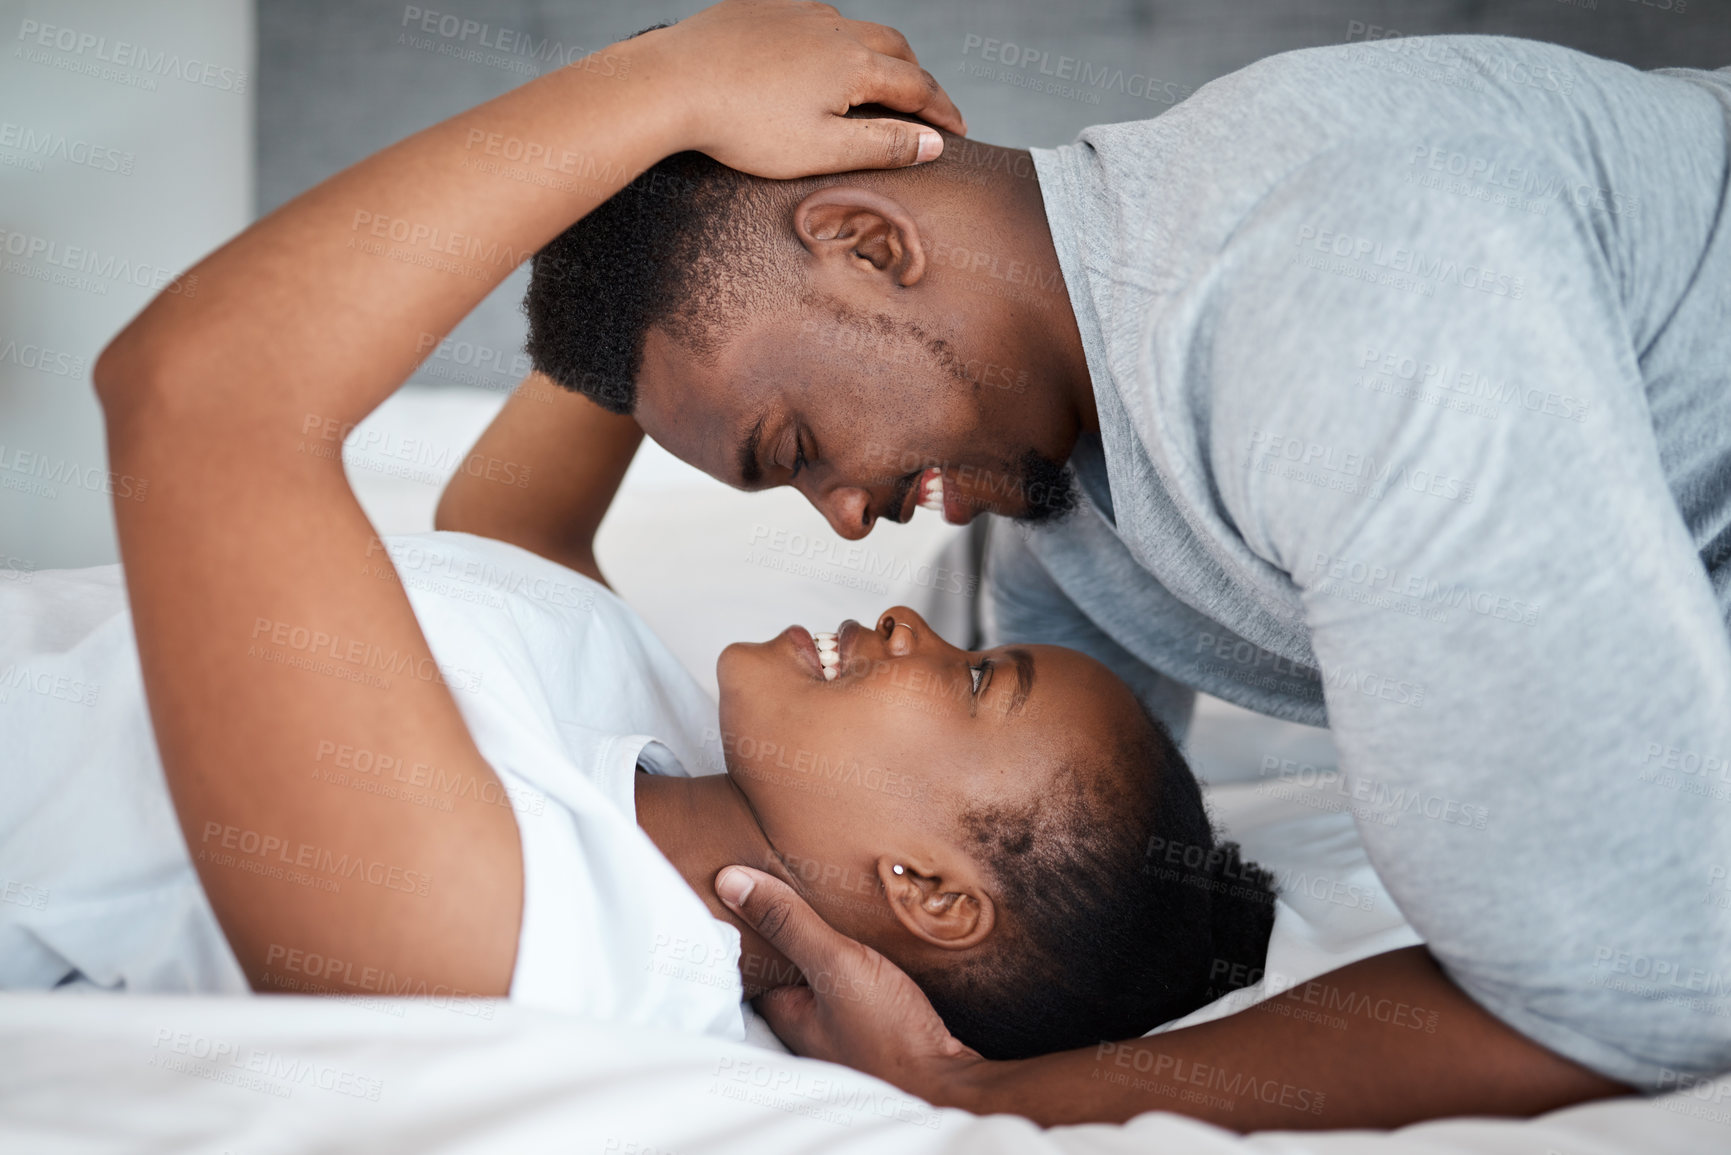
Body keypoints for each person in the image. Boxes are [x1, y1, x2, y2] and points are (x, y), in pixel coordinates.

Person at [20, 0, 1295, 1088]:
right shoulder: (681, 761)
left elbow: (200, 393)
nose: (915, 621)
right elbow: (506, 541)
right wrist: (720, 221)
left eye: (977, 681)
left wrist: (672, 82)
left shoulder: (502, 947)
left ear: (932, 894)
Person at [519, 11, 1731, 1126]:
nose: (847, 520)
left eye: (799, 447)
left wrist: (982, 1092)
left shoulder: (1332, 308)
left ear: (866, 244)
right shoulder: (1062, 483)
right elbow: (1048, 863)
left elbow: (1648, 989)